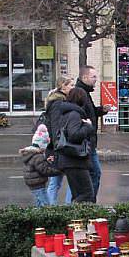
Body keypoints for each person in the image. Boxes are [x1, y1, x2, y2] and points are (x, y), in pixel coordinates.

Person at [51, 87, 96, 203]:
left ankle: (75, 218)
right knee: (87, 195)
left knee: (78, 195)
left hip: (69, 160)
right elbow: (74, 135)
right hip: (75, 160)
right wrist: (88, 126)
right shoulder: (75, 114)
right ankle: (78, 218)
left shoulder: (65, 113)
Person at [75, 66, 109, 201]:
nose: (96, 79)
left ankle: (86, 201)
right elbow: (80, 116)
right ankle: (89, 203)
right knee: (94, 173)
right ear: (84, 78)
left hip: (90, 142)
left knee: (89, 174)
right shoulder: (80, 93)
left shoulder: (85, 92)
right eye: (93, 77)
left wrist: (101, 110)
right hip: (87, 142)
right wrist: (87, 128)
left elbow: (90, 112)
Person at [44, 76, 74, 205]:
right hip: (59, 147)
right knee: (62, 180)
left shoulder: (59, 101)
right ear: (63, 87)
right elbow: (56, 127)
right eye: (71, 85)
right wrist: (57, 148)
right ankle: (58, 207)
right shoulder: (58, 103)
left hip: (56, 147)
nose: (73, 88)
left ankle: (53, 207)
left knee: (56, 180)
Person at [20, 125, 60, 207]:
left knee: (39, 203)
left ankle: (37, 216)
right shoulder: (38, 156)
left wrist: (46, 161)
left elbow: (38, 165)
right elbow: (45, 170)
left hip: (33, 183)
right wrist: (59, 170)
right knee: (46, 205)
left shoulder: (32, 153)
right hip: (38, 184)